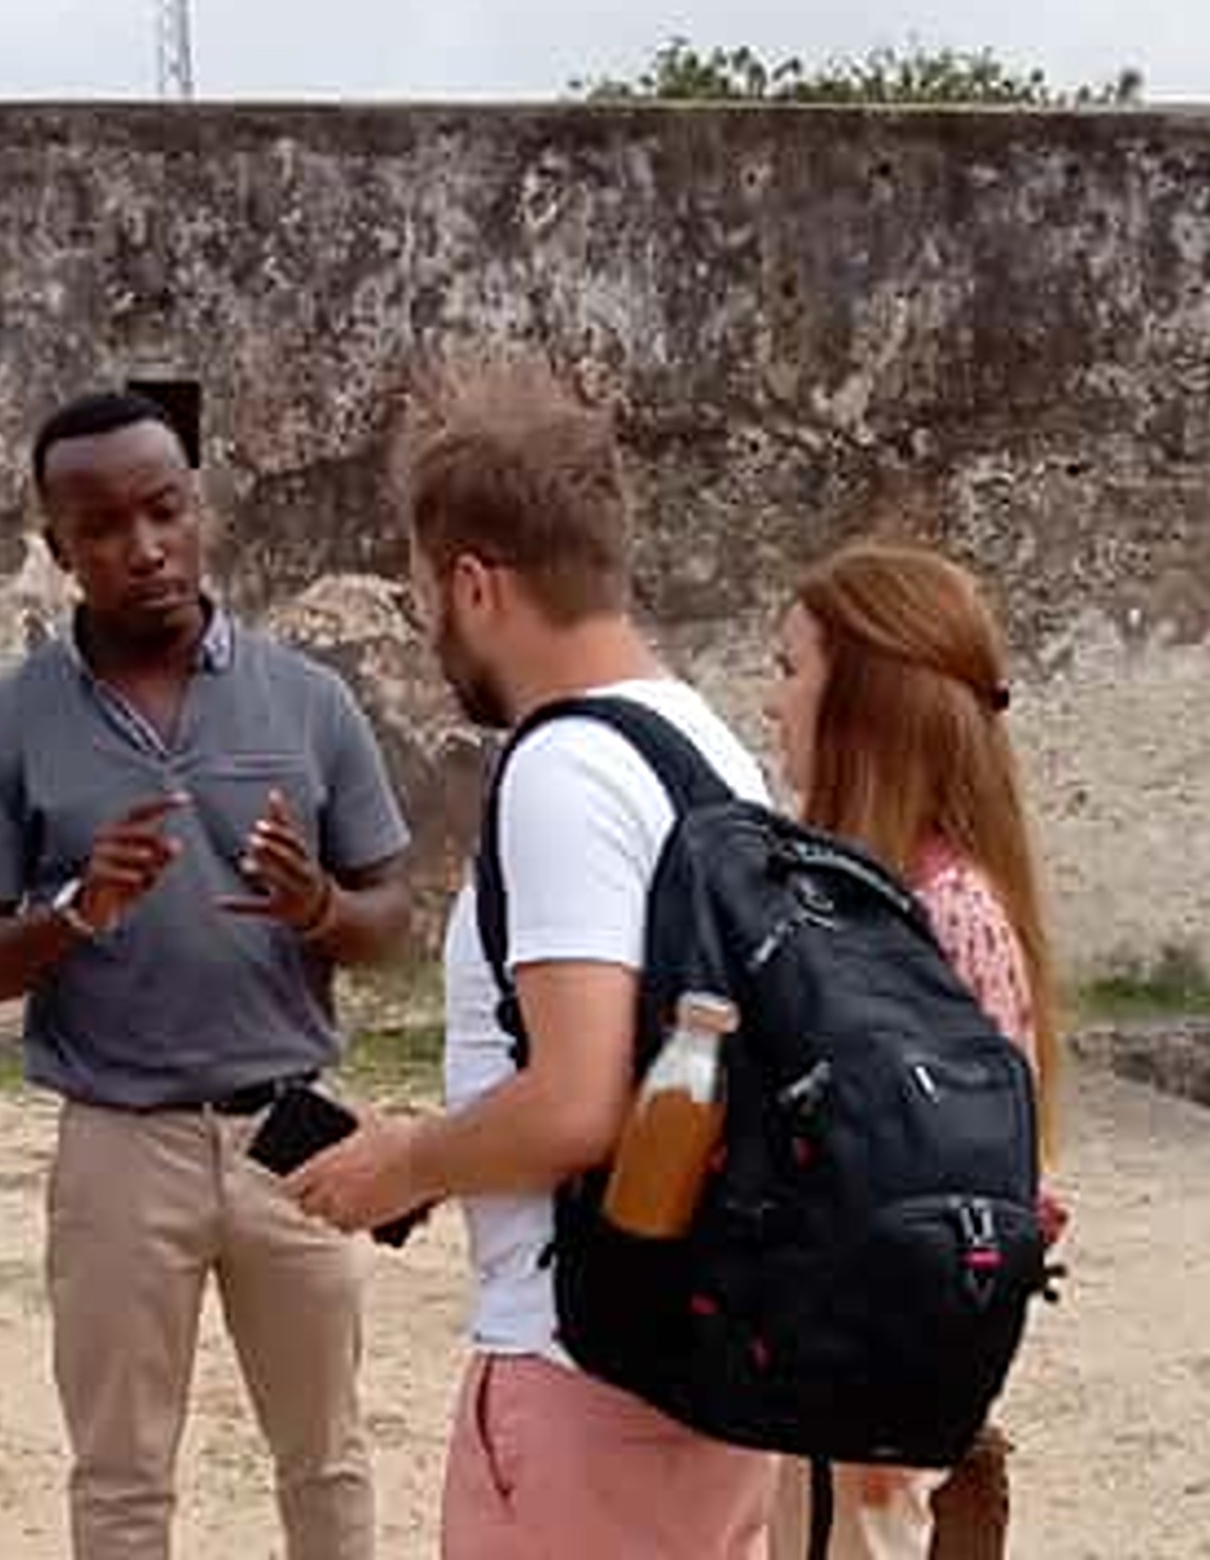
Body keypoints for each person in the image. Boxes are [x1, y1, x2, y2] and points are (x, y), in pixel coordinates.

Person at [285, 368, 779, 1558]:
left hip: (581, 1371)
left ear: (474, 584)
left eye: (423, 598)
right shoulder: (708, 750)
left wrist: (408, 1162)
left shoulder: (564, 770)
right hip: (702, 1357)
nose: (430, 632)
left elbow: (574, 1102)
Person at [0, 389, 414, 1560]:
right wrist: (73, 916)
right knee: (122, 1477)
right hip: (117, 1144)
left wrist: (318, 907)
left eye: (164, 509)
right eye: (101, 527)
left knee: (326, 1459)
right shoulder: (8, 724)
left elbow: (390, 918)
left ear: (200, 510)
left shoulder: (308, 701)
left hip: (291, 1137)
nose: (142, 547)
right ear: (58, 550)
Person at [759, 541, 1064, 1560]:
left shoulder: (945, 915)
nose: (772, 702)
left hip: (861, 1404)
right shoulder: (855, 899)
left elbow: (965, 1188)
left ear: (865, 704)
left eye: (790, 669)